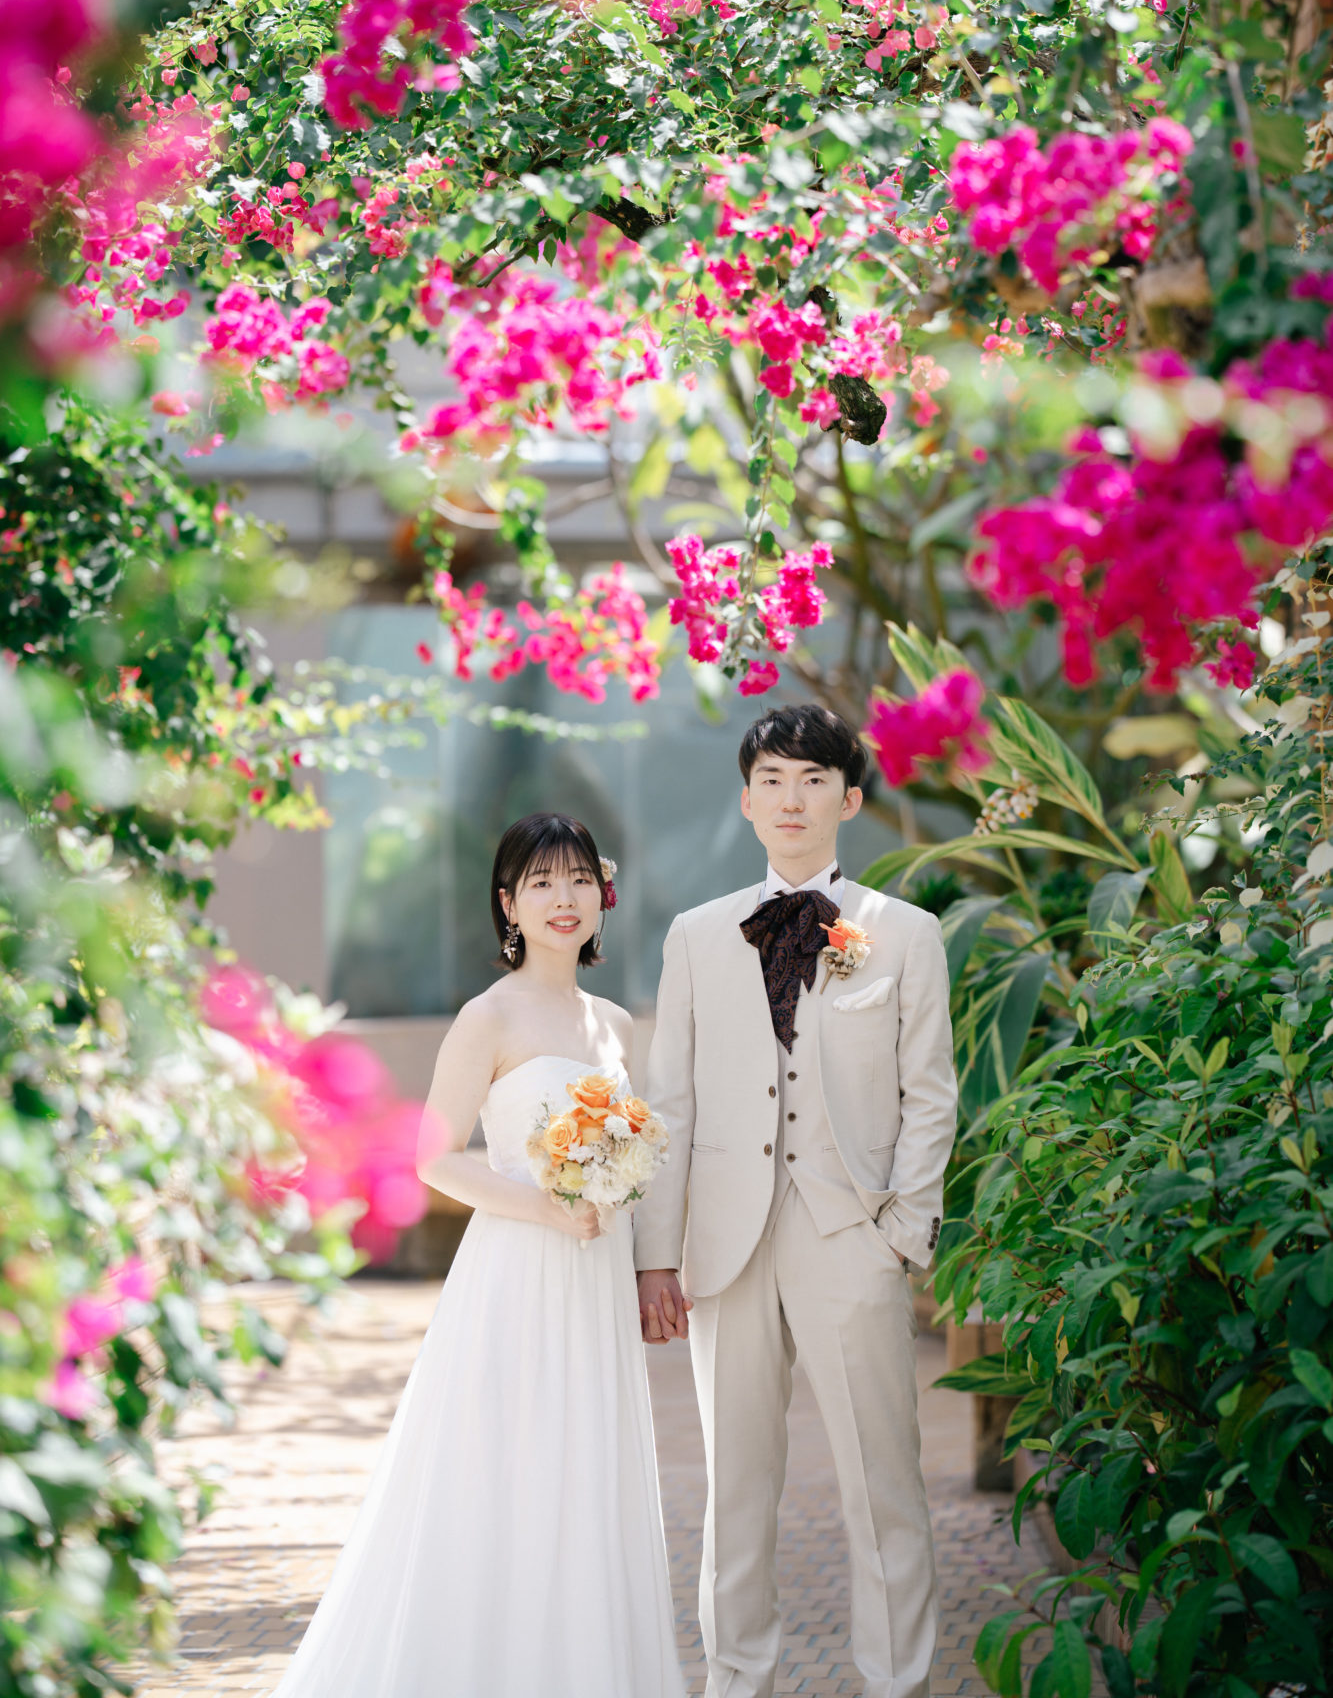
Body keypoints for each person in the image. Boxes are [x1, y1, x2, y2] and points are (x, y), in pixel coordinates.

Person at [268, 811, 685, 1698]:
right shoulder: (487, 1015)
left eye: (577, 879)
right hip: (518, 1270)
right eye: (539, 883)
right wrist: (544, 1204)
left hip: (594, 1273)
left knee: (584, 1478)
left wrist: (635, 1239)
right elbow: (434, 1154)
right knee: (504, 1472)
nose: (561, 899)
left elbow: (632, 1157)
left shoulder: (614, 1024)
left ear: (602, 896)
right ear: (508, 905)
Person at [634, 704, 958, 1698]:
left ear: (848, 798)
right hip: (724, 1246)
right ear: (745, 800)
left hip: (848, 1234)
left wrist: (901, 1230)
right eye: (771, 777)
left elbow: (929, 1092)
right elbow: (672, 1100)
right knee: (734, 1490)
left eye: (812, 778)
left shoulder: (903, 934)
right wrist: (657, 1253)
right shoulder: (694, 935)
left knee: (883, 1486)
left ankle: (894, 1679)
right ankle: (738, 1679)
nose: (790, 795)